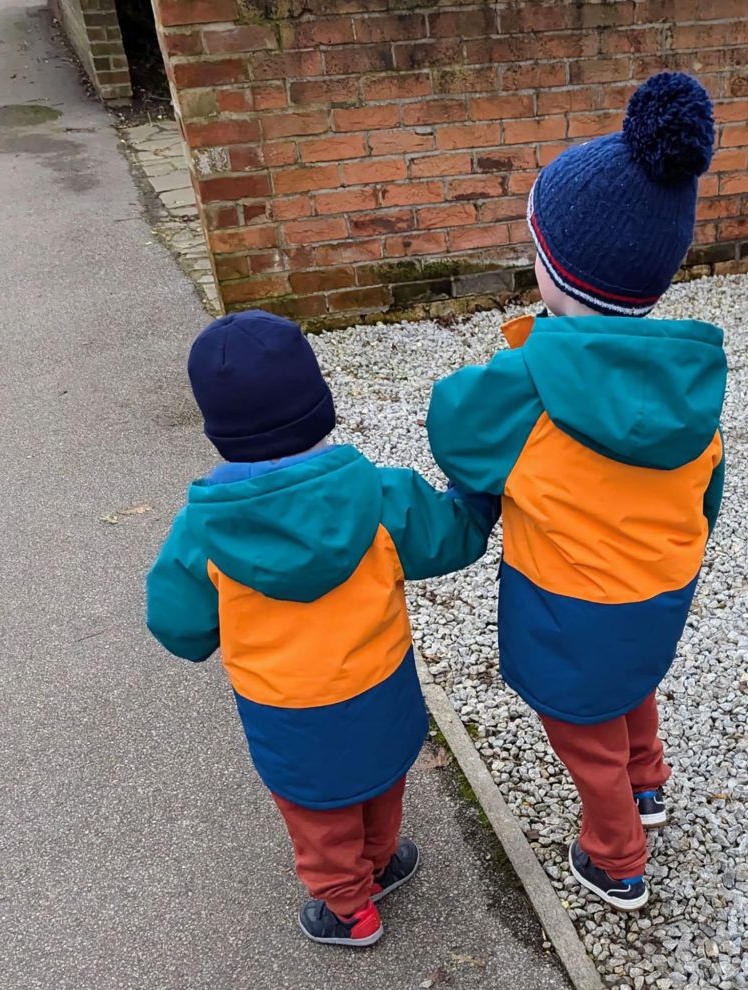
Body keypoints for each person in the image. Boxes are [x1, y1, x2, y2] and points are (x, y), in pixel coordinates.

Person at [427, 73, 725, 911]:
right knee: (632, 688)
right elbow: (710, 490)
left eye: (536, 249)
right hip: (658, 593)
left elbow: (456, 428)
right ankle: (650, 781)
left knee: (584, 737)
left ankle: (615, 857)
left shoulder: (526, 386)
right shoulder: (689, 384)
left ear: (557, 275)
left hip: (569, 608)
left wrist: (521, 355)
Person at [146, 310, 497, 945]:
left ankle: (347, 909)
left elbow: (177, 625)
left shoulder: (203, 531)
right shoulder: (381, 497)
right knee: (382, 783)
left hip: (287, 712)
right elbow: (454, 535)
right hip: (382, 688)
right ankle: (380, 863)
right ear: (321, 407)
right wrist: (479, 488)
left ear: (219, 433)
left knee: (318, 815)